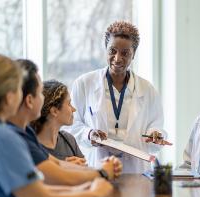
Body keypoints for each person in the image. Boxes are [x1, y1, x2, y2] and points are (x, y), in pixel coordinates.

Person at [0, 54, 112, 197]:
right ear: (9, 97)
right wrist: (93, 193)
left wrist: (84, 189)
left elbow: (37, 189)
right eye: (19, 90)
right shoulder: (2, 138)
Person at [68, 21, 171, 172]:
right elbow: (71, 125)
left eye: (125, 53)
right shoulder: (84, 84)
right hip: (98, 165)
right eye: (112, 51)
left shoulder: (148, 90)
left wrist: (155, 134)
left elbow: (156, 126)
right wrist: (89, 134)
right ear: (106, 50)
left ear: (133, 54)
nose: (117, 58)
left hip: (135, 169)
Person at [9, 59, 122, 186]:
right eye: (39, 94)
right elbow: (50, 186)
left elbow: (58, 166)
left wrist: (96, 169)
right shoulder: (16, 139)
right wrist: (103, 173)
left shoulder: (29, 134)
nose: (42, 99)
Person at [31, 79, 85, 165]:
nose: (74, 109)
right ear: (54, 111)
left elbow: (87, 173)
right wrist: (67, 168)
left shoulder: (68, 140)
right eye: (69, 104)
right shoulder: (31, 145)